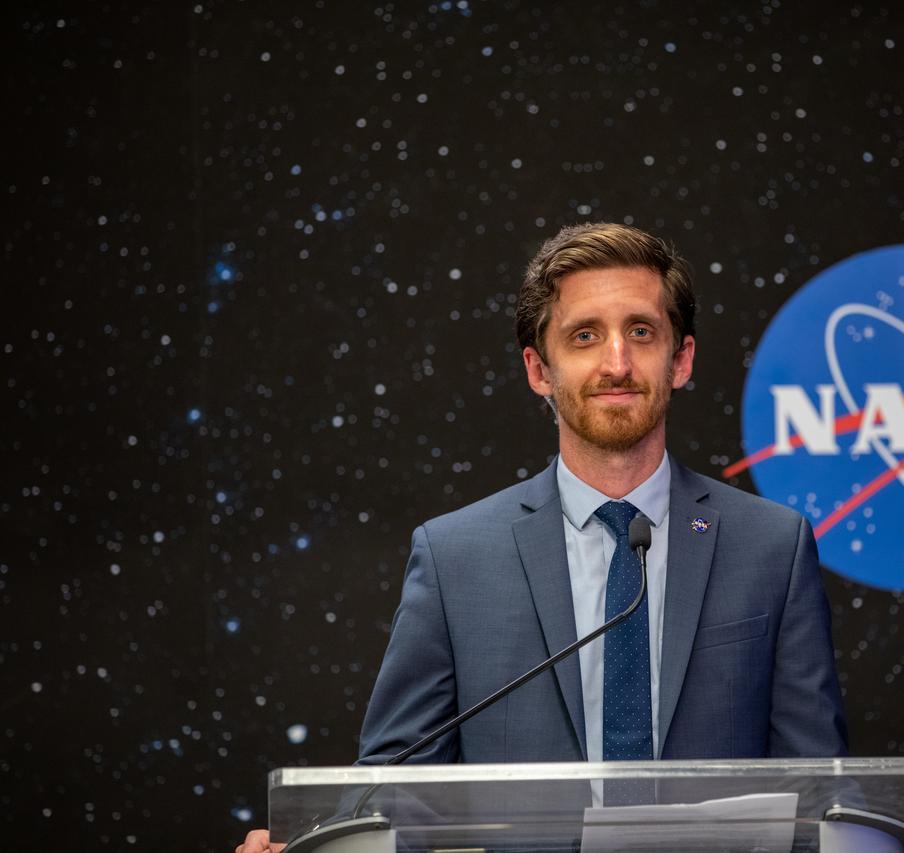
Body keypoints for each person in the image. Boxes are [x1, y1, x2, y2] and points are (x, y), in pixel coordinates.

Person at [236, 222, 847, 853]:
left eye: (641, 331)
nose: (617, 363)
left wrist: (873, 841)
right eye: (585, 336)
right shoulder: (455, 558)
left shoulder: (774, 546)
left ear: (681, 359)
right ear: (539, 369)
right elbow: (395, 789)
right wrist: (320, 847)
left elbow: (822, 786)